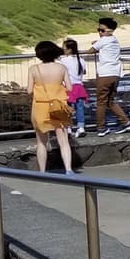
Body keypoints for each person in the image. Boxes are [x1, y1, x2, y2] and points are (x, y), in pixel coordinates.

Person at [29, 40, 77, 175]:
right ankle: (68, 169)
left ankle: (42, 171)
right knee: (63, 140)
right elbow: (69, 88)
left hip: (40, 105)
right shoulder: (61, 68)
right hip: (58, 104)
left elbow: (29, 90)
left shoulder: (34, 69)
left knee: (41, 142)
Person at [89, 17, 130, 136]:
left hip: (105, 74)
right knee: (110, 101)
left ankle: (101, 127)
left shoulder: (103, 40)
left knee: (101, 102)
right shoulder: (114, 40)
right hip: (115, 74)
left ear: (110, 30)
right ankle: (126, 122)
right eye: (99, 30)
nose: (100, 32)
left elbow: (90, 51)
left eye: (102, 30)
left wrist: (95, 44)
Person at [58, 38, 90, 139]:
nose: (63, 50)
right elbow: (84, 72)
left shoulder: (63, 61)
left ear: (69, 49)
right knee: (80, 108)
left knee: (68, 108)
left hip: (68, 87)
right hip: (79, 87)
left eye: (64, 48)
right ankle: (81, 127)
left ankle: (68, 128)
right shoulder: (81, 60)